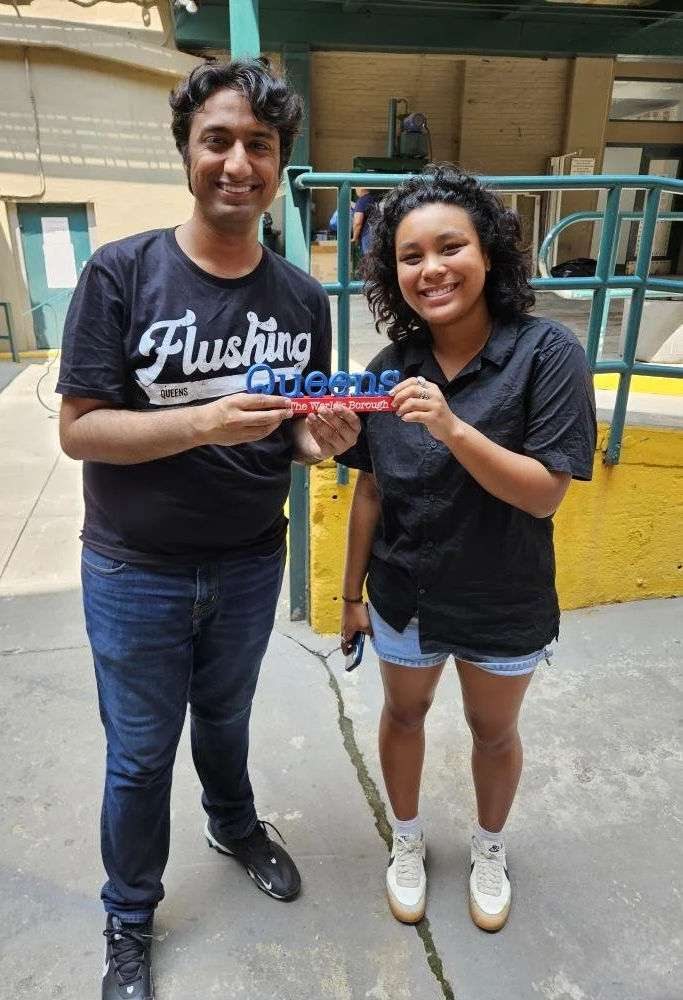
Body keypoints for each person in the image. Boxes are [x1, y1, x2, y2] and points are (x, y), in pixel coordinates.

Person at [56, 58, 360, 1000]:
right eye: (217, 140)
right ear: (187, 151)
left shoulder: (302, 298)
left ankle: (234, 824)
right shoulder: (122, 273)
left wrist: (324, 440)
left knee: (226, 720)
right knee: (141, 755)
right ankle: (130, 914)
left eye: (258, 145)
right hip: (134, 568)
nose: (237, 162)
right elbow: (78, 430)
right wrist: (200, 418)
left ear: (280, 164)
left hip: (245, 562)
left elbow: (298, 429)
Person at [338, 165, 596, 932]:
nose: (432, 269)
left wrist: (452, 427)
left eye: (450, 246)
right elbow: (372, 491)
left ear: (488, 253)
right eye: (410, 257)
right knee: (403, 714)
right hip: (403, 591)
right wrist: (350, 597)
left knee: (493, 732)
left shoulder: (548, 354)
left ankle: (489, 848)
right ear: (394, 274)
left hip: (501, 593)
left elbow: (545, 491)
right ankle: (408, 840)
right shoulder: (389, 371)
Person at [351, 187, 379, 256]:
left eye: (356, 188)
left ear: (361, 188)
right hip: (376, 234)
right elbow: (359, 208)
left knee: (369, 260)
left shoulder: (362, 200)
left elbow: (357, 222)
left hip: (368, 236)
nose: (356, 190)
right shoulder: (371, 199)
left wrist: (355, 238)